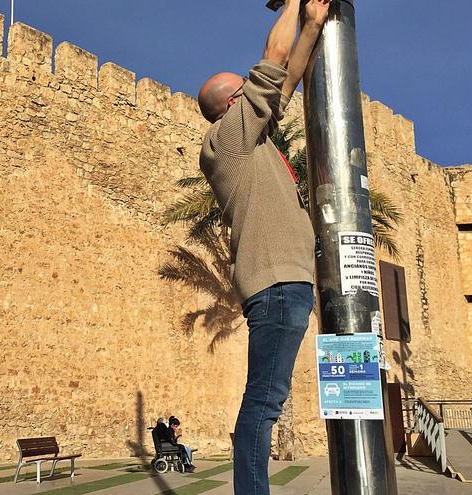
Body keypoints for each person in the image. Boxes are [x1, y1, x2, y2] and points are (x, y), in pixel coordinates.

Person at [196, 1, 330, 494]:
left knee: (266, 399)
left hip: (286, 286)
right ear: (234, 104)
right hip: (275, 287)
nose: (264, 96)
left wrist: (313, 25)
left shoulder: (257, 142)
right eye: (248, 92)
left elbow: (287, 80)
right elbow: (273, 60)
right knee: (264, 402)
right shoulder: (227, 138)